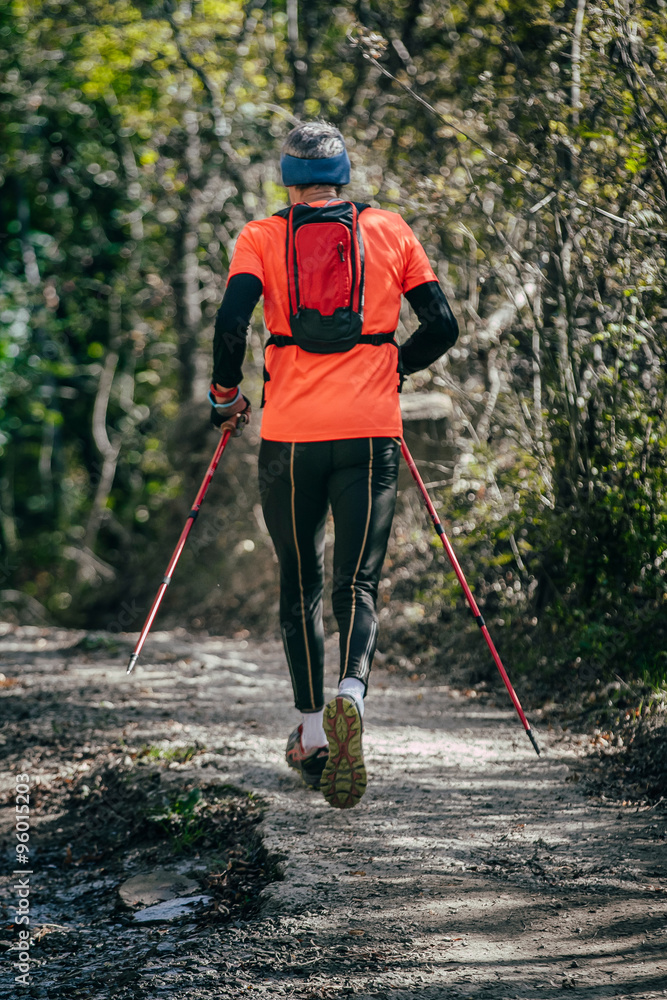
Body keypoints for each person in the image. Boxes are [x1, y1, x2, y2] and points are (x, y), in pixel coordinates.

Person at [209, 121, 458, 809]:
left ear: (287, 179)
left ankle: (315, 732)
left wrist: (224, 397)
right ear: (343, 174)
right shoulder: (389, 229)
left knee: (301, 585)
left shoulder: (262, 236)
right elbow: (442, 325)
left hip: (289, 440)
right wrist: (392, 370)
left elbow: (231, 324)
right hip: (369, 434)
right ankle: (352, 692)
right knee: (359, 581)